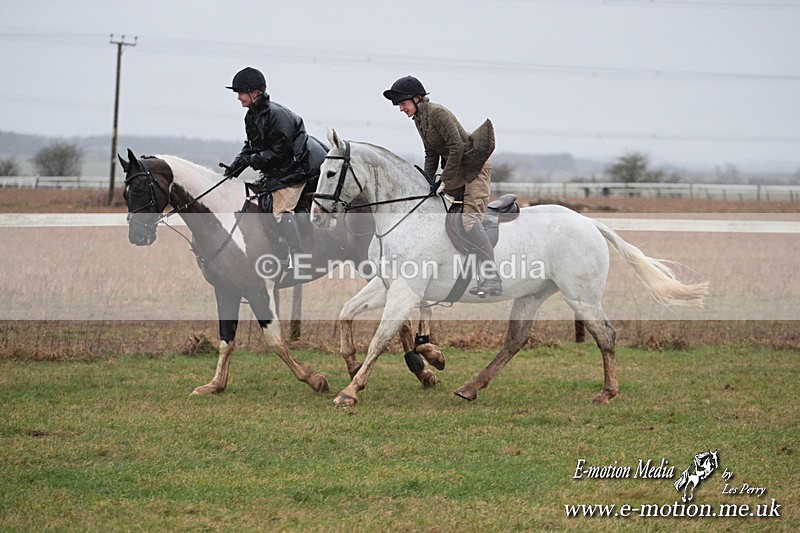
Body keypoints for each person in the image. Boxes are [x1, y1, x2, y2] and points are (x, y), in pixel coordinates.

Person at [383, 75, 501, 297]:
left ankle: (491, 277)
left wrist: (444, 180)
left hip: (474, 168)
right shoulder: (419, 119)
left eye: (402, 103)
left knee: (468, 220)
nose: (400, 109)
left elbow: (456, 147)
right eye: (399, 105)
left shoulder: (437, 113)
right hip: (457, 168)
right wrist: (426, 184)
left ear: (417, 99)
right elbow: (431, 153)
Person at [224, 66, 325, 269]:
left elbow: (281, 153)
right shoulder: (251, 115)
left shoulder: (278, 116)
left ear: (255, 93)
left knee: (279, 210)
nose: (238, 98)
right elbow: (252, 146)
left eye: (241, 93)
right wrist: (236, 166)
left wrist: (251, 160)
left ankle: (297, 256)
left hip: (301, 167)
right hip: (283, 167)